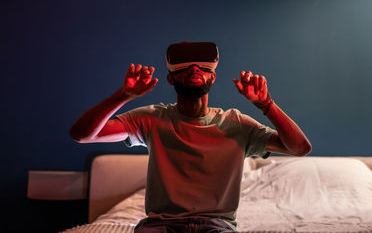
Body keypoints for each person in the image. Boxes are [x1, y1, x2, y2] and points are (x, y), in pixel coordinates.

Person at [69, 41, 311, 233]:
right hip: (159, 227)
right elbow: (82, 135)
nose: (194, 68)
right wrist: (124, 95)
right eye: (184, 66)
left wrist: (266, 104)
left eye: (202, 66)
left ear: (212, 77)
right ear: (171, 78)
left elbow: (300, 148)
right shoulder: (152, 119)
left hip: (218, 227)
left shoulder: (236, 124)